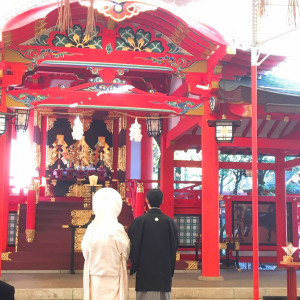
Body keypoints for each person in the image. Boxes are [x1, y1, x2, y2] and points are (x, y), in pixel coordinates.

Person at [128, 188, 178, 300]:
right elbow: (174, 246)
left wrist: (136, 261)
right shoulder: (169, 222)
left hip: (144, 270)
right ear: (162, 201)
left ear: (147, 200)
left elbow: (132, 244)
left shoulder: (139, 221)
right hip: (163, 271)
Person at [81, 187, 130, 300]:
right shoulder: (117, 229)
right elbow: (125, 251)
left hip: (95, 273)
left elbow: (85, 250)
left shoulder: (92, 228)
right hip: (114, 273)